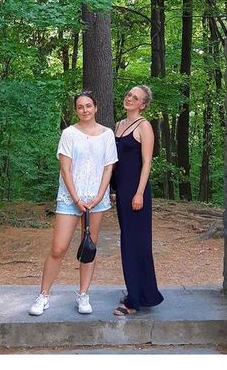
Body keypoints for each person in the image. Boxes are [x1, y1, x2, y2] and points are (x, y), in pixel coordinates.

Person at [29, 90, 118, 316]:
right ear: (75, 110)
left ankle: (83, 295)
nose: (85, 110)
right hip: (71, 199)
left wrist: (98, 196)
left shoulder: (107, 134)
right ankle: (43, 295)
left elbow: (109, 167)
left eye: (89, 105)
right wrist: (77, 198)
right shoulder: (69, 134)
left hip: (96, 200)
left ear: (96, 107)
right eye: (80, 107)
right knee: (58, 248)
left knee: (89, 247)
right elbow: (65, 169)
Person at [111, 85, 164, 315]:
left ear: (143, 105)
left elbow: (147, 163)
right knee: (128, 242)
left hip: (137, 194)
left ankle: (134, 301)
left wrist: (140, 193)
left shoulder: (144, 126)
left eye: (135, 97)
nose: (129, 98)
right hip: (122, 192)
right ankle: (140, 292)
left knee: (137, 244)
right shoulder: (118, 126)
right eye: (129, 94)